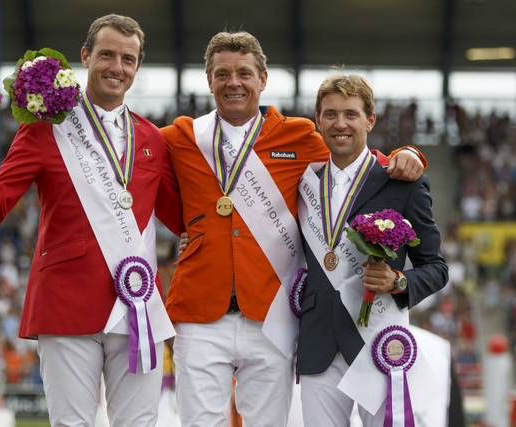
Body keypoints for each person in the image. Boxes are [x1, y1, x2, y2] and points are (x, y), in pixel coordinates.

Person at [162, 31, 426, 426]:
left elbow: (356, 164)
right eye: (223, 73)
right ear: (209, 80)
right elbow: (137, 164)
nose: (234, 82)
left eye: (244, 73)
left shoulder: (299, 136)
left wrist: (407, 155)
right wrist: (188, 225)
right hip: (199, 315)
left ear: (263, 79)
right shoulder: (181, 136)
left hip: (270, 315)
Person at [0, 14, 183, 426]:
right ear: (85, 57)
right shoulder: (44, 128)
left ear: (137, 67)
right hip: (66, 303)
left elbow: (183, 218)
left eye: (128, 59)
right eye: (107, 55)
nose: (118, 67)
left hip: (139, 308)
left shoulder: (152, 138)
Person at [296, 72, 448, 426]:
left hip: (379, 342)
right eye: (330, 114)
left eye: (350, 114)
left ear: (370, 119)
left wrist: (398, 281)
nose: (340, 124)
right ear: (318, 120)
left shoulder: (403, 182)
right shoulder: (301, 182)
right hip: (319, 343)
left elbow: (436, 268)